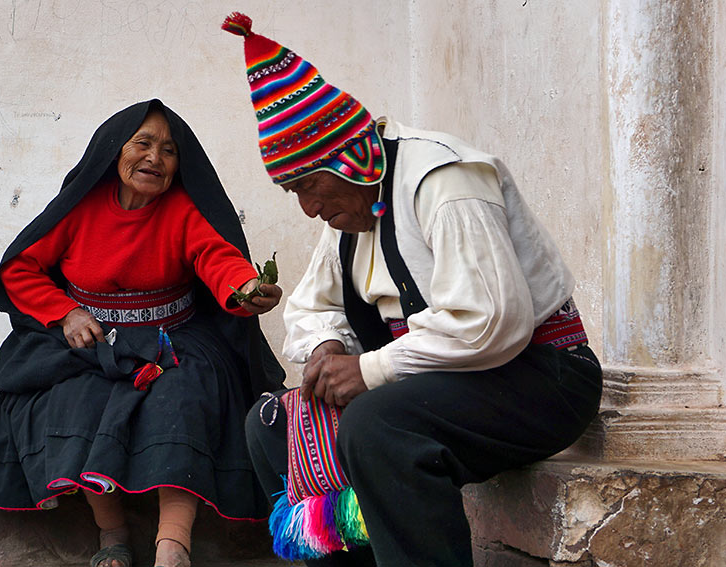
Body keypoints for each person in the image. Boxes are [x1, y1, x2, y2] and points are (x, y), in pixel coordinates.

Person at [223, 13, 603, 567]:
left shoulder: (443, 180)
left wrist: (371, 370)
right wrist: (328, 350)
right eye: (293, 192)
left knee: (378, 425)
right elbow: (310, 306)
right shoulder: (350, 214)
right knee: (271, 427)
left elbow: (491, 319)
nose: (308, 208)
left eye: (308, 185)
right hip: (444, 381)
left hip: (542, 377)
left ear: (346, 159)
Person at [0, 99, 285, 567]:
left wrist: (243, 289)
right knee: (78, 402)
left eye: (169, 150)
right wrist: (65, 313)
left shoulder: (183, 211)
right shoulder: (80, 208)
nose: (155, 158)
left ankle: (172, 548)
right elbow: (22, 268)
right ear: (114, 151)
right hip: (92, 340)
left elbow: (217, 258)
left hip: (173, 338)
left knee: (183, 400)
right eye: (143, 143)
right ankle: (111, 533)